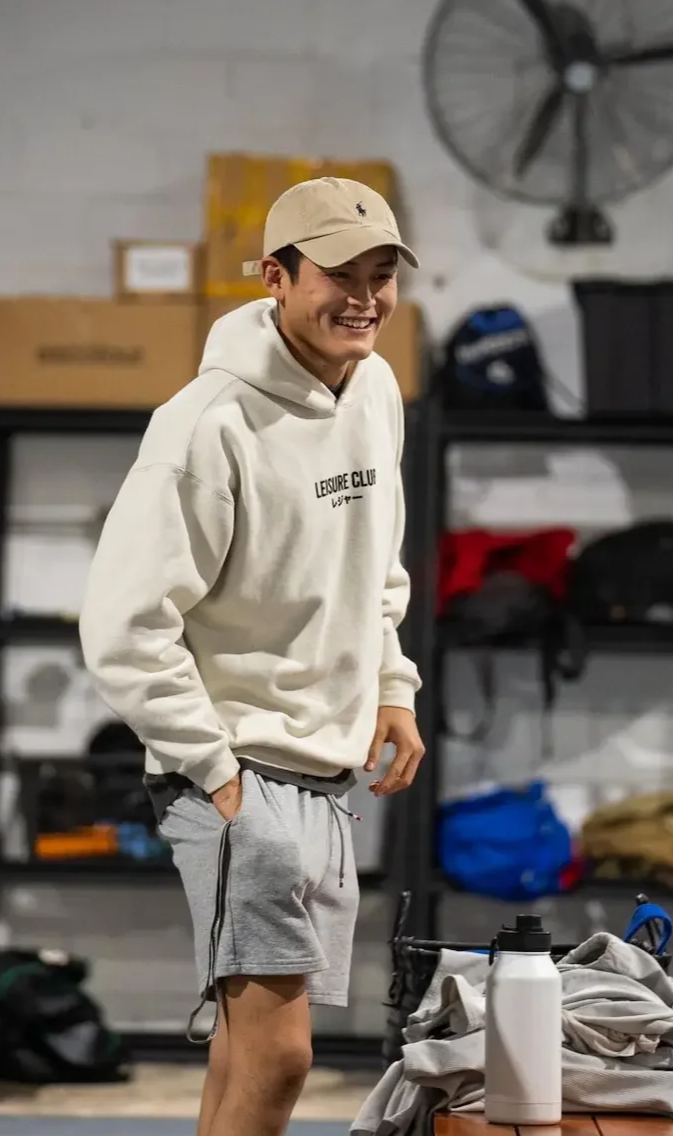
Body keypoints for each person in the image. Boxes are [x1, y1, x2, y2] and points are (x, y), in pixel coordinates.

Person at [79, 175, 425, 1136]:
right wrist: (216, 770)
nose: (364, 297)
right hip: (235, 767)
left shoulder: (374, 390)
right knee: (281, 1055)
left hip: (324, 768)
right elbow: (123, 624)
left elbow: (372, 564)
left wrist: (391, 685)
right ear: (276, 275)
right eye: (339, 274)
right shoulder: (206, 424)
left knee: (243, 1049)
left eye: (381, 273)